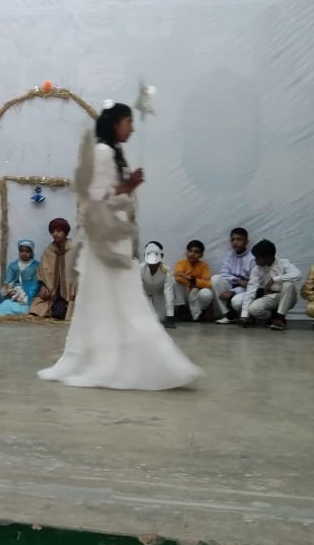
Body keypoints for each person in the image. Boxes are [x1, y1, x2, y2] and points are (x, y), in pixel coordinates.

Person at [38, 101, 200, 390]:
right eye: (128, 122)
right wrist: (128, 186)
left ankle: (124, 359)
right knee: (112, 299)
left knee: (119, 298)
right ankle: (117, 361)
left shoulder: (111, 153)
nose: (132, 128)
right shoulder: (102, 152)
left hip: (115, 235)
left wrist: (128, 188)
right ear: (115, 123)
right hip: (106, 237)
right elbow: (95, 196)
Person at [239, 239, 301, 330]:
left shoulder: (283, 263)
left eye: (257, 257)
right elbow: (251, 290)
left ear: (268, 257)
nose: (255, 260)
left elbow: (298, 274)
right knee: (253, 309)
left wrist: (275, 279)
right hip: (270, 297)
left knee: (288, 284)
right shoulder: (256, 269)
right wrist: (244, 314)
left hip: (286, 297)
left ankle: (280, 318)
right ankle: (273, 317)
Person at [31, 217, 76, 320]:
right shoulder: (48, 251)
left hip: (70, 293)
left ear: (65, 233)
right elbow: (41, 273)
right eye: (52, 231)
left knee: (64, 313)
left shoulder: (74, 250)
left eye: (58, 231)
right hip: (52, 294)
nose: (55, 234)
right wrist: (42, 286)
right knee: (36, 311)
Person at [212, 227, 255, 324]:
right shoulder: (230, 255)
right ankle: (229, 315)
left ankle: (247, 316)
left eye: (239, 239)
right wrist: (237, 280)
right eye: (233, 240)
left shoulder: (252, 258)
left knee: (236, 301)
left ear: (246, 241)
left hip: (246, 290)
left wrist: (233, 291)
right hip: (233, 284)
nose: (235, 242)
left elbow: (252, 284)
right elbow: (223, 273)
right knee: (215, 279)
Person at [0, 240, 40, 316]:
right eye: (21, 251)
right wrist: (6, 292)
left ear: (32, 252)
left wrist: (29, 293)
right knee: (4, 307)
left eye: (27, 251)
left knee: (30, 308)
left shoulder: (36, 266)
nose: (24, 254)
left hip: (30, 294)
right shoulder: (13, 265)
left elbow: (36, 283)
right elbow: (8, 280)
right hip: (15, 294)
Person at [173, 239, 214, 321]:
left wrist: (190, 278)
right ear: (186, 252)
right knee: (173, 281)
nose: (192, 254)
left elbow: (208, 284)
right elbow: (178, 277)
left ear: (201, 255)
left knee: (207, 293)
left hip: (197, 295)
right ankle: (182, 310)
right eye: (190, 251)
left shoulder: (204, 266)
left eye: (196, 252)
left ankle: (199, 313)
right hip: (185, 294)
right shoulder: (181, 263)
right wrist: (193, 284)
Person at [139, 240, 176, 329]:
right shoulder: (140, 268)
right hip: (144, 297)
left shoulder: (166, 270)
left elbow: (168, 292)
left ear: (161, 255)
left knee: (159, 319)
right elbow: (136, 290)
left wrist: (170, 315)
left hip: (159, 296)